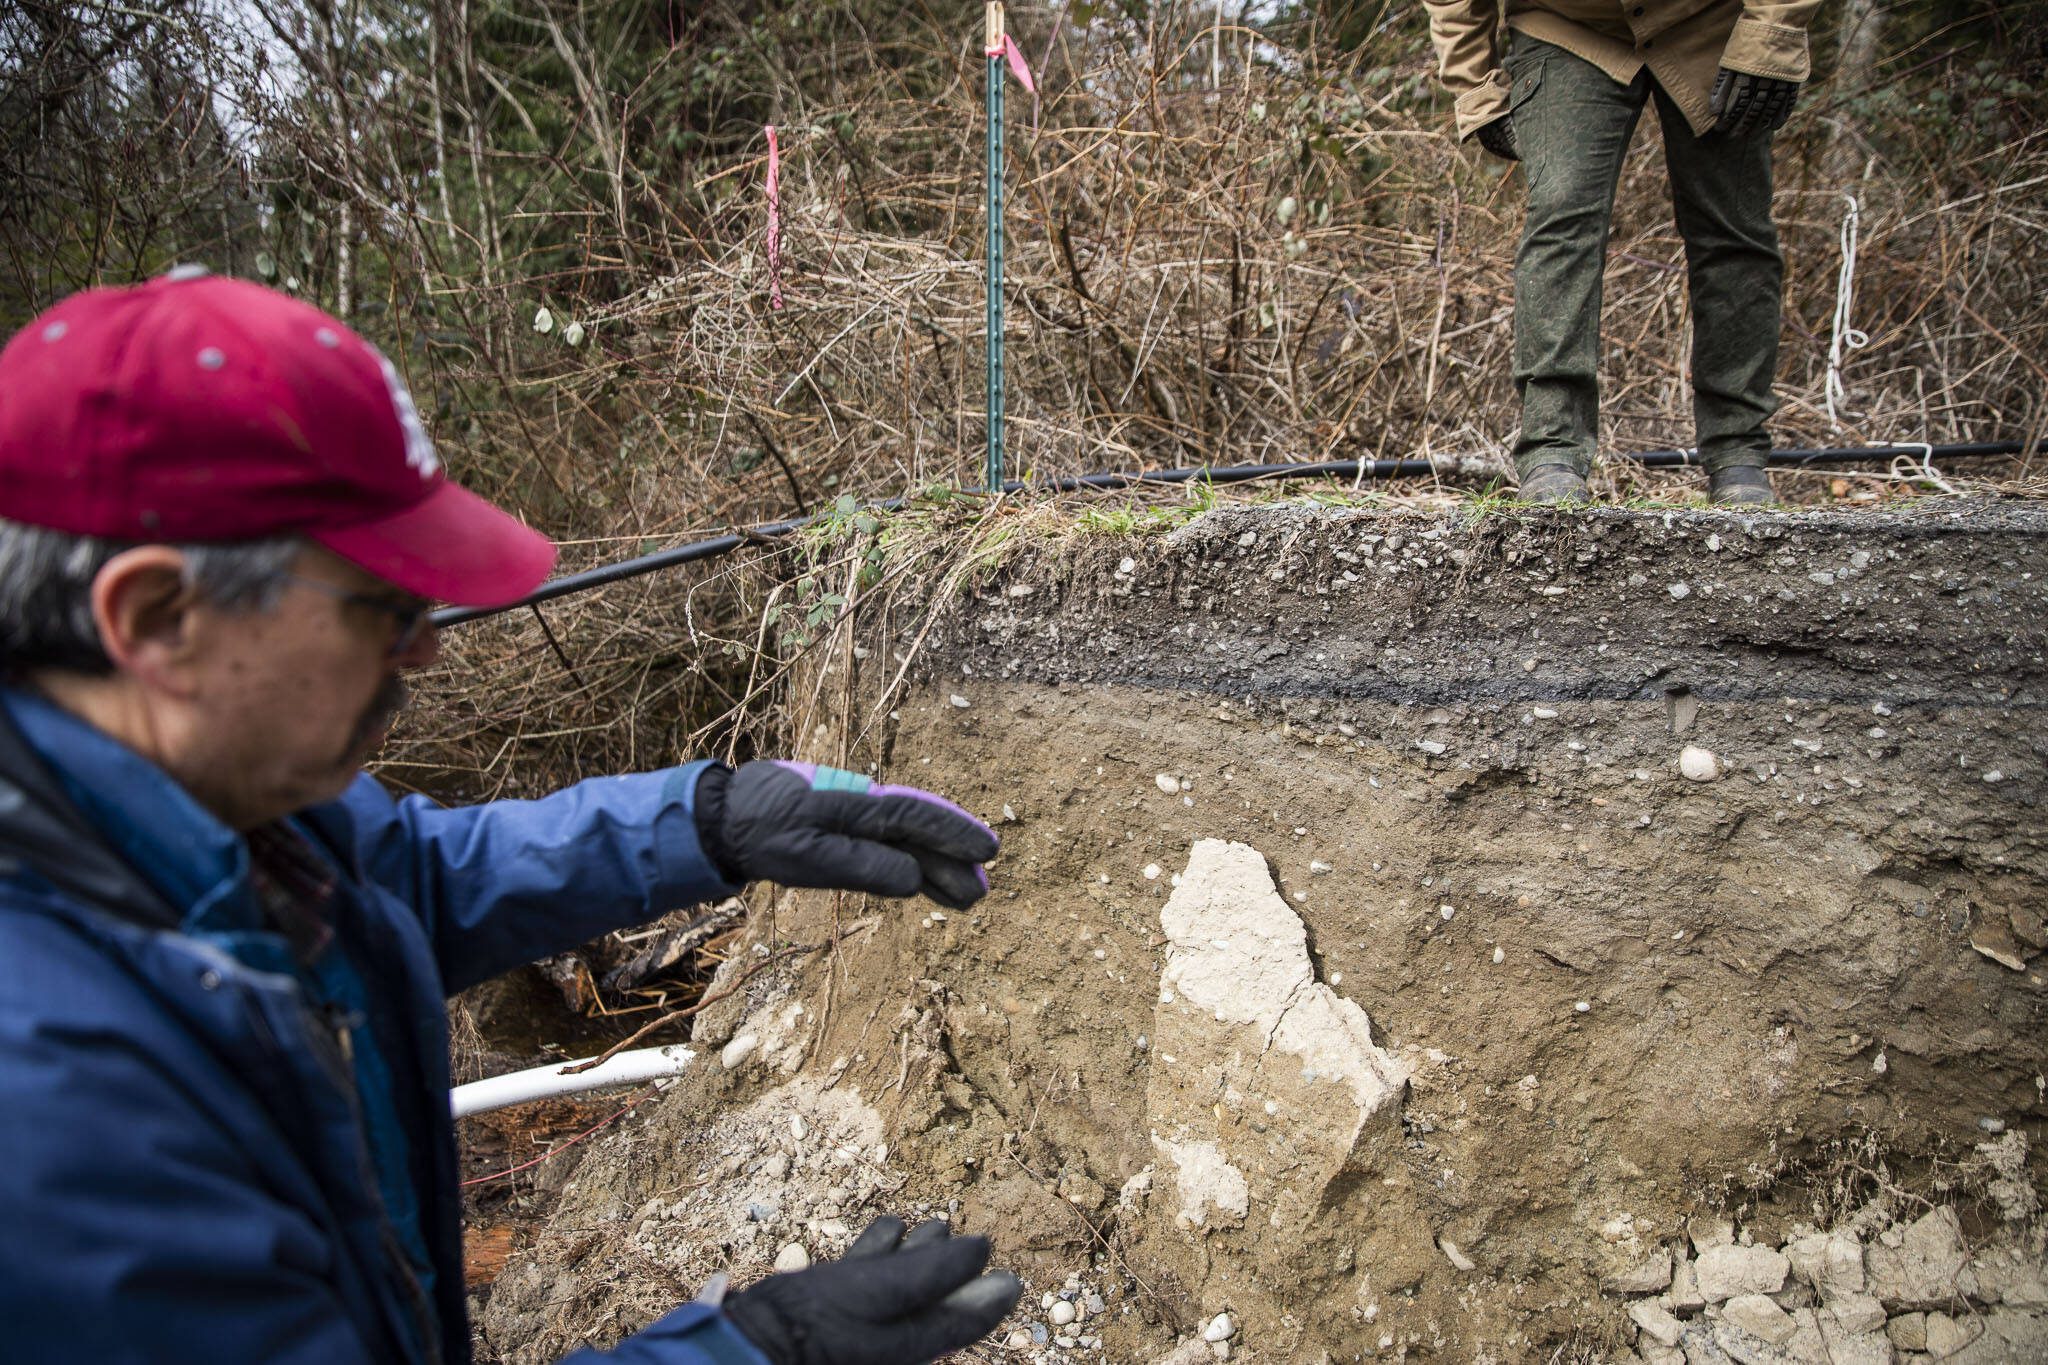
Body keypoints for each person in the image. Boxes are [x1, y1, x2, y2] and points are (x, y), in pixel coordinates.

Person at [0, 270, 1021, 1365]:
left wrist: (707, 822)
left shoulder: (224, 806)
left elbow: (409, 882)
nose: (427, 646)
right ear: (158, 620)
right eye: (385, 606)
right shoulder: (57, 1103)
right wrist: (751, 1351)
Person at [1423, 0, 1821, 505]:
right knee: (1561, 219)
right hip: (1567, 25)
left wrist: (1772, 32)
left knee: (1733, 228)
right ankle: (1553, 448)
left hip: (1712, 24)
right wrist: (1475, 83)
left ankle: (1738, 451)